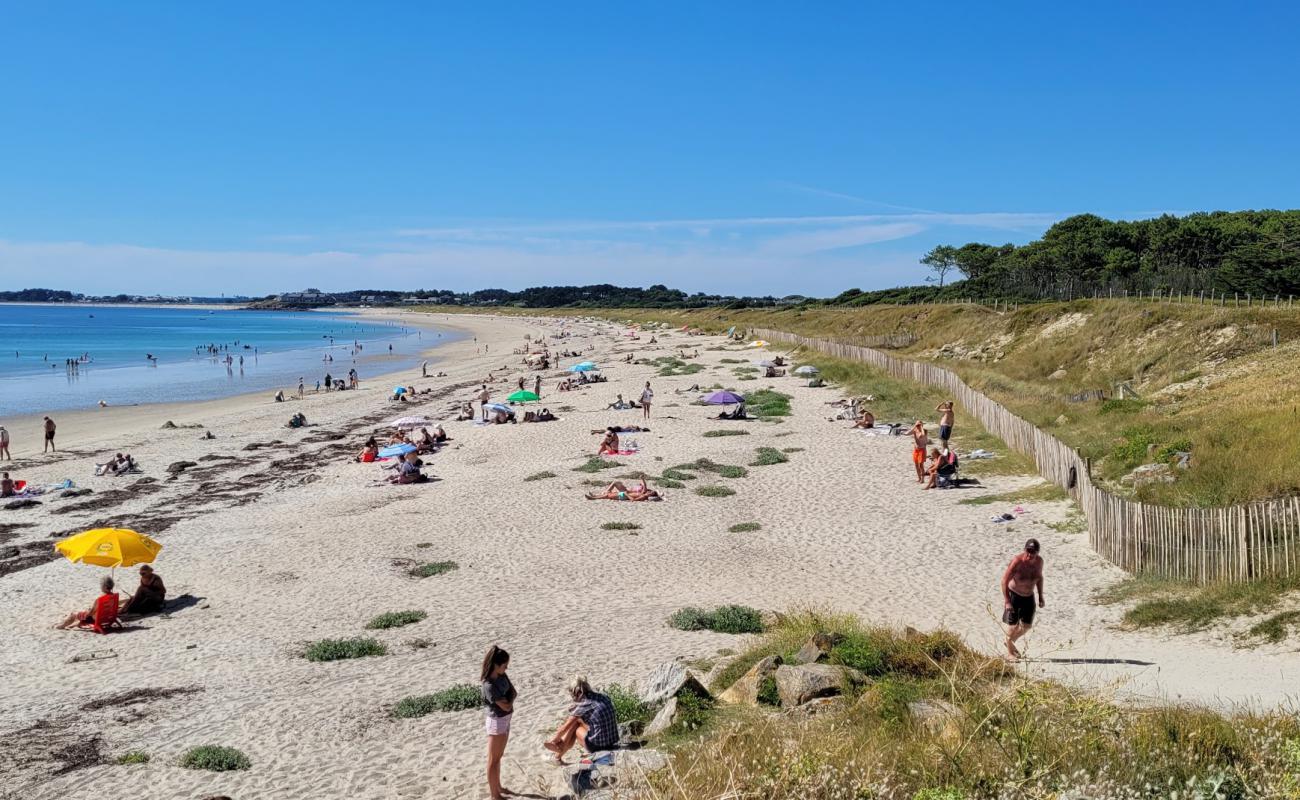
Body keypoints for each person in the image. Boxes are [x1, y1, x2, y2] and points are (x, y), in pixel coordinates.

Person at [543, 676, 619, 763]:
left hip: (598, 746)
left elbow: (564, 729)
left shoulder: (584, 704)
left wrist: (554, 740)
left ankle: (557, 756)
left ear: (578, 692)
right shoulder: (602, 697)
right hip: (612, 742)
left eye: (572, 694)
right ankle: (560, 750)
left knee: (575, 727)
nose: (573, 697)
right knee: (577, 721)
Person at [481, 645, 515, 800]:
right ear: (496, 665)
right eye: (504, 665)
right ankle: (494, 795)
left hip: (505, 719)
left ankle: (498, 786)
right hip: (497, 722)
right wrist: (508, 700)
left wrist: (508, 700)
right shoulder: (488, 686)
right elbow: (507, 704)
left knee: (498, 756)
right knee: (493, 759)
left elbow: (513, 693)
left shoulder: (502, 676)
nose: (506, 668)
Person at [1001, 539, 1045, 660]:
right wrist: (1007, 601)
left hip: (1029, 596)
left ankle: (1010, 642)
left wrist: (1040, 596)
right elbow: (1004, 581)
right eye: (1028, 551)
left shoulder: (1039, 562)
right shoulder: (1017, 561)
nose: (1030, 554)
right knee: (1012, 626)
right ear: (1025, 549)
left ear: (1037, 552)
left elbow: (1039, 578)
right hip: (1014, 595)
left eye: (1033, 552)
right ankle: (1009, 654)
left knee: (1027, 626)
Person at [585, 479, 661, 501]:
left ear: (650, 495)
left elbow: (633, 500)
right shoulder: (643, 493)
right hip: (624, 495)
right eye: (649, 491)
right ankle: (594, 497)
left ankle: (593, 498)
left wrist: (626, 494)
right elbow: (645, 487)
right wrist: (642, 479)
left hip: (624, 496)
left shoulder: (643, 496)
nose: (648, 491)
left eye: (650, 492)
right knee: (608, 495)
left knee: (608, 495)